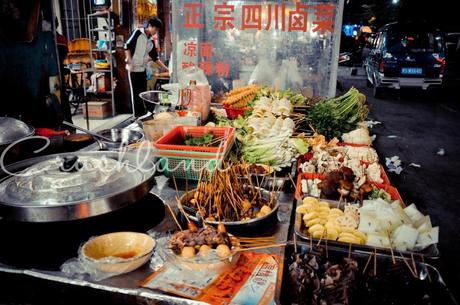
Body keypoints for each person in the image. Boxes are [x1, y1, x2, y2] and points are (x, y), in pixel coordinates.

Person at [124, 17, 168, 116]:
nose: (155, 32)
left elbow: (155, 57)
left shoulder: (151, 41)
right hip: (133, 69)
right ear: (150, 26)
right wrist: (130, 62)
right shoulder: (138, 33)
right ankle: (136, 115)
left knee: (143, 92)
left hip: (142, 69)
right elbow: (127, 46)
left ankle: (143, 113)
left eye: (157, 30)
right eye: (155, 29)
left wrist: (167, 69)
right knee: (135, 93)